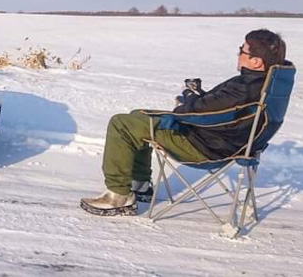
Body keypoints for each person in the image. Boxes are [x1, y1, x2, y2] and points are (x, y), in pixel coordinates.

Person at [80, 29, 287, 216]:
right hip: (219, 139)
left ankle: (118, 196)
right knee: (137, 115)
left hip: (203, 146)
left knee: (121, 124)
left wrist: (186, 100)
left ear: (256, 61)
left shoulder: (244, 88)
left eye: (242, 50)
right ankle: (140, 184)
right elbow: (220, 109)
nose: (239, 53)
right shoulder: (266, 84)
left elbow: (198, 112)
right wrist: (196, 98)